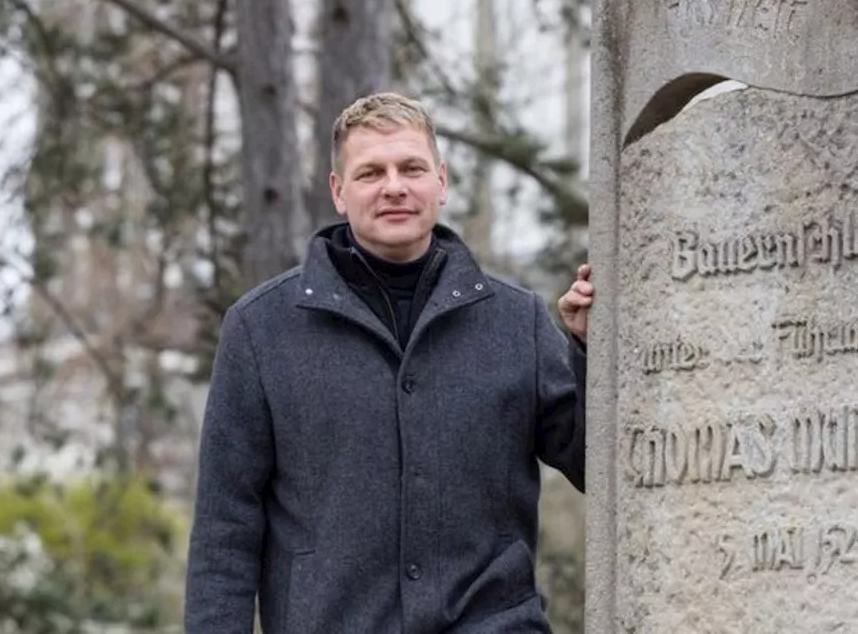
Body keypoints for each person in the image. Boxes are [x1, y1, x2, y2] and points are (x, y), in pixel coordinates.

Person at [184, 92, 593, 633]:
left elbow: (599, 465)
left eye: (412, 168)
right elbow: (225, 529)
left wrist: (588, 351)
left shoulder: (517, 321)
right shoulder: (261, 329)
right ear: (338, 191)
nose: (394, 186)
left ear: (441, 182)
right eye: (371, 172)